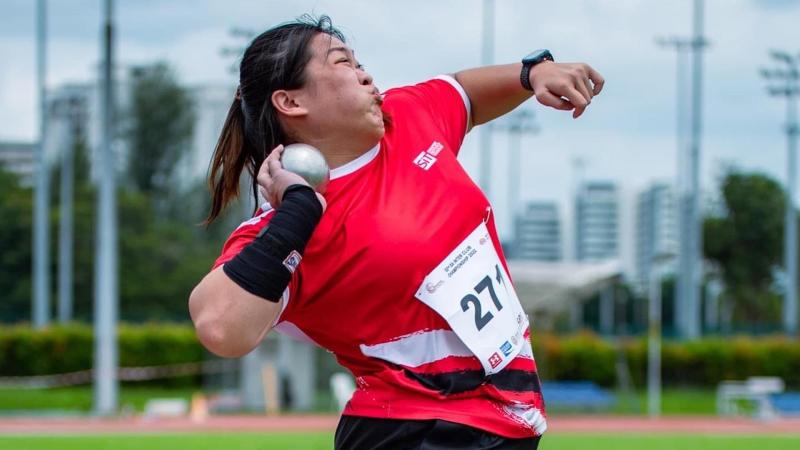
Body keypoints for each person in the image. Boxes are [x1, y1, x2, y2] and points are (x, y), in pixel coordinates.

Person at [189, 15, 603, 450]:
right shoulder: (289, 221)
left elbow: (464, 92)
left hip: (503, 424)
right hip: (413, 431)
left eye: (359, 62)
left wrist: (531, 73)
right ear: (290, 102)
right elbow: (219, 327)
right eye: (342, 62)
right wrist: (298, 213)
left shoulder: (407, 116)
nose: (365, 74)